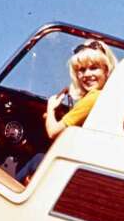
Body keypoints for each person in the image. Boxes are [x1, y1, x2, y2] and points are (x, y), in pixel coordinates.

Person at [16, 40, 117, 183]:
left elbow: (53, 132)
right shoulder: (106, 96)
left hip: (76, 165)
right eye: (81, 70)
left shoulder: (94, 98)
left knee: (37, 159)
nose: (87, 75)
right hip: (86, 162)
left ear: (106, 71)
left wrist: (50, 109)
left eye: (94, 68)